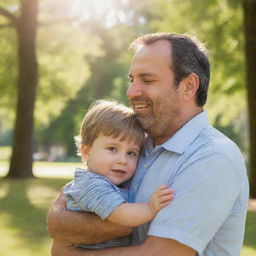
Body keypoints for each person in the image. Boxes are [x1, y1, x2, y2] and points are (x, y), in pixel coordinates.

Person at [47, 33, 249, 256]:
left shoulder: (213, 158)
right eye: (132, 80)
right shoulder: (136, 146)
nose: (131, 92)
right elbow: (59, 220)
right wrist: (59, 218)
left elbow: (161, 253)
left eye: (148, 79)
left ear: (189, 86)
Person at [54, 99, 173, 251]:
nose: (123, 160)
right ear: (86, 151)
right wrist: (151, 207)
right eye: (112, 149)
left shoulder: (115, 183)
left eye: (131, 153)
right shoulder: (91, 185)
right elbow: (121, 215)